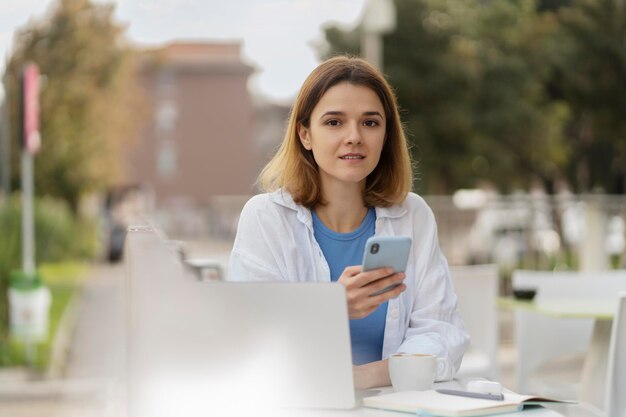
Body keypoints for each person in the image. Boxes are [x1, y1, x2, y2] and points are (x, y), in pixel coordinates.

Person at [229, 56, 469, 389]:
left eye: (370, 123)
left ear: (386, 135)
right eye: (334, 122)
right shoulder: (266, 219)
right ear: (305, 134)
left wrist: (367, 376)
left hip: (395, 407)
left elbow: (441, 333)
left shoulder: (414, 215)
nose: (354, 136)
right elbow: (250, 339)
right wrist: (331, 308)